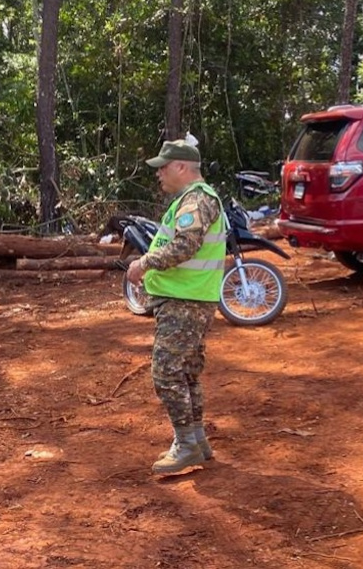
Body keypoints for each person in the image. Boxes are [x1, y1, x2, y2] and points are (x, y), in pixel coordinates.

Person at [125, 139, 226, 475]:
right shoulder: (193, 199)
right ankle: (197, 440)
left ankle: (185, 444)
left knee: (166, 372)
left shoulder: (197, 200)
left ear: (181, 167)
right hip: (189, 297)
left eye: (163, 168)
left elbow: (184, 245)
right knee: (186, 371)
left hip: (187, 301)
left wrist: (144, 263)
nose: (159, 175)